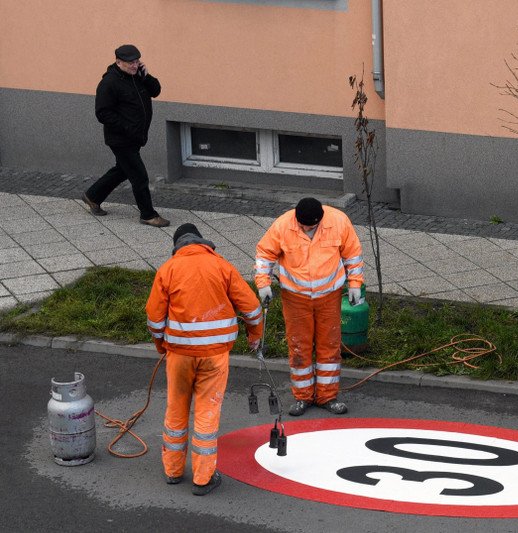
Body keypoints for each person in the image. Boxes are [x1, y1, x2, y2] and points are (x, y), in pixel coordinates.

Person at [146, 223, 262, 495]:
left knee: (176, 408)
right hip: (214, 356)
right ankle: (203, 477)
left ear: (177, 246)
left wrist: (161, 345)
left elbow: (154, 317)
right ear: (202, 242)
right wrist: (254, 336)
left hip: (179, 355)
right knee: (207, 414)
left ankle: (173, 470)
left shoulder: (168, 269)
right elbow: (252, 308)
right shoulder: (222, 266)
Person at [254, 197, 364, 416]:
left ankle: (327, 396)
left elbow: (353, 255)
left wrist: (355, 285)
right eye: (303, 226)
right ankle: (302, 396)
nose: (306, 229)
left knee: (329, 346)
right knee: (298, 347)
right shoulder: (283, 225)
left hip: (329, 295)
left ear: (320, 220)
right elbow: (264, 255)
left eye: (310, 227)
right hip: (295, 297)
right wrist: (263, 283)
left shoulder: (338, 221)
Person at [82, 44, 169, 228]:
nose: (135, 65)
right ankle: (148, 214)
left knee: (122, 170)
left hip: (135, 136)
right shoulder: (109, 83)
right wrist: (127, 127)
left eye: (137, 62)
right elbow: (102, 113)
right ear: (118, 62)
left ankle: (93, 196)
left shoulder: (138, 76)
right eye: (131, 63)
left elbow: (156, 91)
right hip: (121, 139)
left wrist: (146, 76)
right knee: (139, 176)